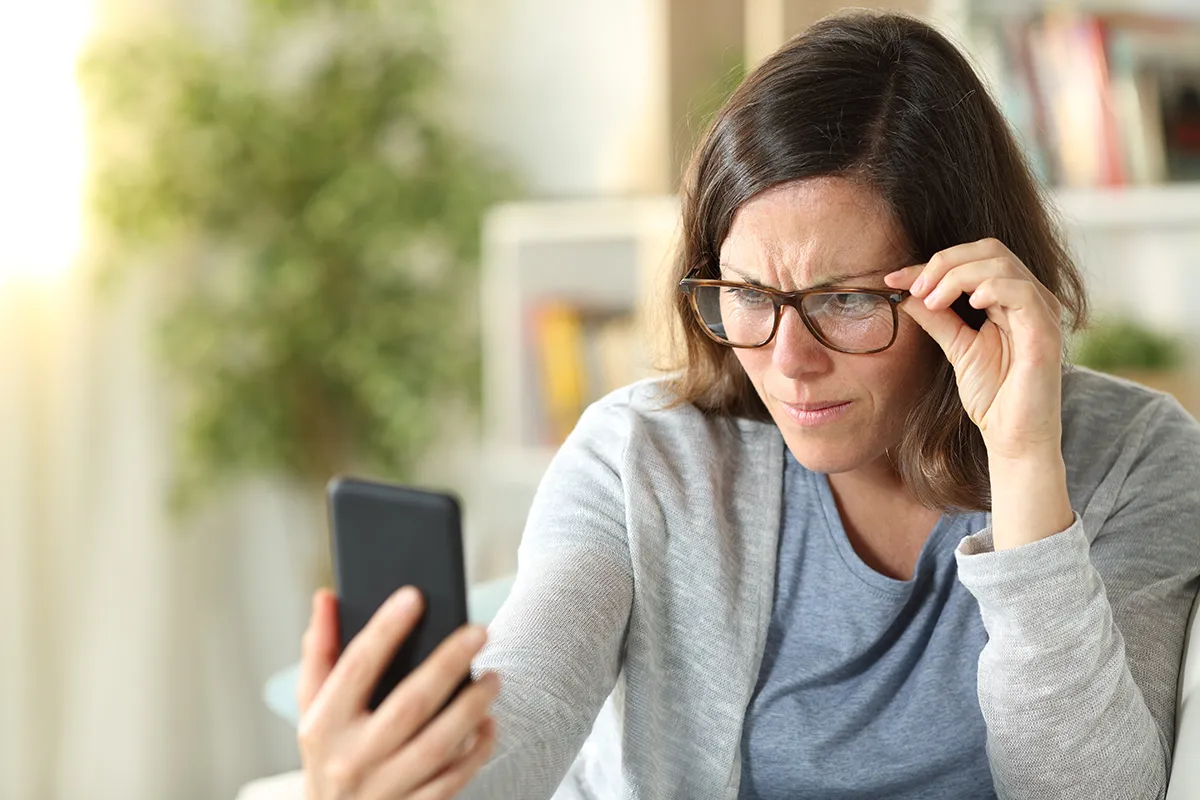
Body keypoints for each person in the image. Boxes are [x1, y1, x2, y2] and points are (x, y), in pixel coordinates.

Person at [293, 10, 1200, 800]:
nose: (788, 360)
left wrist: (1027, 463)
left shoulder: (1136, 459)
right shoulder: (637, 459)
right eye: (749, 295)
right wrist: (398, 776)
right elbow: (523, 708)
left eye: (847, 300)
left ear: (963, 289)